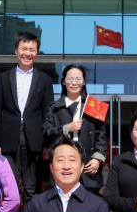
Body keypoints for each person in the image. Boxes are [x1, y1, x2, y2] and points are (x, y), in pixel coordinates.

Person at [0, 32, 55, 212]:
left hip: (34, 142)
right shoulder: (3, 78)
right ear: (16, 51)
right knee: (9, 188)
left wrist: (47, 145)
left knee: (31, 189)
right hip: (7, 141)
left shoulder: (44, 79)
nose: (28, 53)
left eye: (32, 49)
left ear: (37, 52)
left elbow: (48, 114)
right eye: (24, 49)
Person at [43, 64, 108, 193]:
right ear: (63, 82)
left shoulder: (93, 105)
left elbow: (101, 136)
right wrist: (66, 128)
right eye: (70, 79)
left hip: (88, 167)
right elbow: (46, 132)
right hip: (63, 166)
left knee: (88, 204)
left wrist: (97, 159)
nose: (74, 82)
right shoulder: (54, 107)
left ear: (84, 82)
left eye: (78, 79)